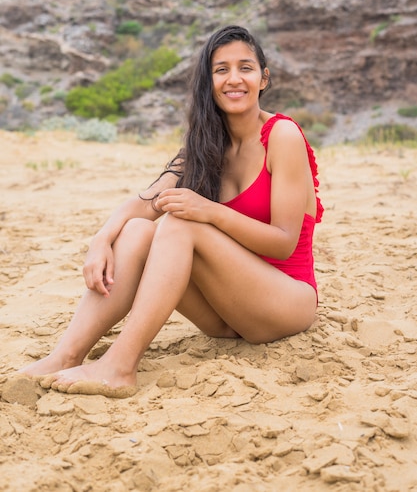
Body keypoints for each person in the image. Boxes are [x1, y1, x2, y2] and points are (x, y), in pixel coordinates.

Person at [20, 24, 323, 398]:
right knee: (136, 231)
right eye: (221, 69)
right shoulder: (206, 144)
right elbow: (143, 204)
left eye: (245, 68)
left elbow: (283, 243)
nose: (234, 79)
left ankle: (120, 365)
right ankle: (68, 354)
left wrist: (209, 211)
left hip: (284, 302)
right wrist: (100, 240)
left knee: (182, 223)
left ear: (264, 78)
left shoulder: (282, 136)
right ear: (208, 81)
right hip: (228, 313)